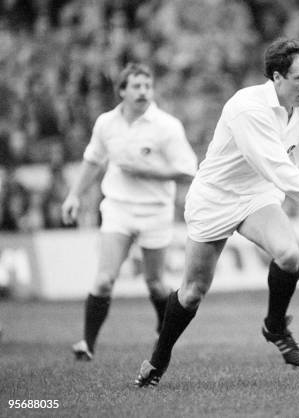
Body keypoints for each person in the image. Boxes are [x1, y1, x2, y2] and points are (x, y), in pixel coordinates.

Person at [134, 38, 299, 387]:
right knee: (192, 291)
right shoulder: (247, 107)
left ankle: (275, 326)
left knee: (289, 255)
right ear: (276, 77)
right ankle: (159, 359)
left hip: (257, 195)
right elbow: (278, 168)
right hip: (214, 199)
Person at [61, 63, 198, 360]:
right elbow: (93, 161)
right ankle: (87, 343)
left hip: (155, 212)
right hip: (118, 209)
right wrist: (74, 195)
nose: (143, 92)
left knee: (155, 283)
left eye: (147, 86)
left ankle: (165, 335)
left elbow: (189, 171)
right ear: (121, 91)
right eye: (136, 86)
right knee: (104, 279)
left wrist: (148, 171)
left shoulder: (167, 125)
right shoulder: (106, 123)